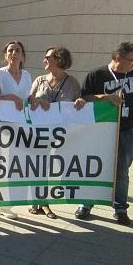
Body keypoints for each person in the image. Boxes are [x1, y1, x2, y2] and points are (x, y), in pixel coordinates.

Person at [75, 42, 133, 225]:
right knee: (95, 167)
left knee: (122, 170)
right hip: (100, 130)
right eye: (132, 60)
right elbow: (84, 98)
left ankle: (120, 207)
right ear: (118, 58)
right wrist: (106, 97)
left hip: (127, 130)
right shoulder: (97, 75)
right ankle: (86, 203)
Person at [28, 46, 86, 219]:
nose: (44, 60)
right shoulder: (39, 80)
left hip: (63, 134)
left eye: (48, 57)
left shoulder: (72, 82)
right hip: (40, 133)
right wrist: (36, 99)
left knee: (57, 167)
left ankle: (46, 199)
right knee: (39, 166)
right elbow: (29, 99)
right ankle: (40, 202)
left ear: (59, 60)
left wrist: (81, 101)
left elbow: (78, 101)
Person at [0, 40, 32, 219]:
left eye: (17, 50)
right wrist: (9, 97)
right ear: (5, 55)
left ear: (22, 55)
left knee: (12, 166)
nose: (14, 53)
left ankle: (5, 205)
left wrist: (33, 99)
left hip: (20, 127)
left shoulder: (27, 75)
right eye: (10, 50)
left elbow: (27, 97)